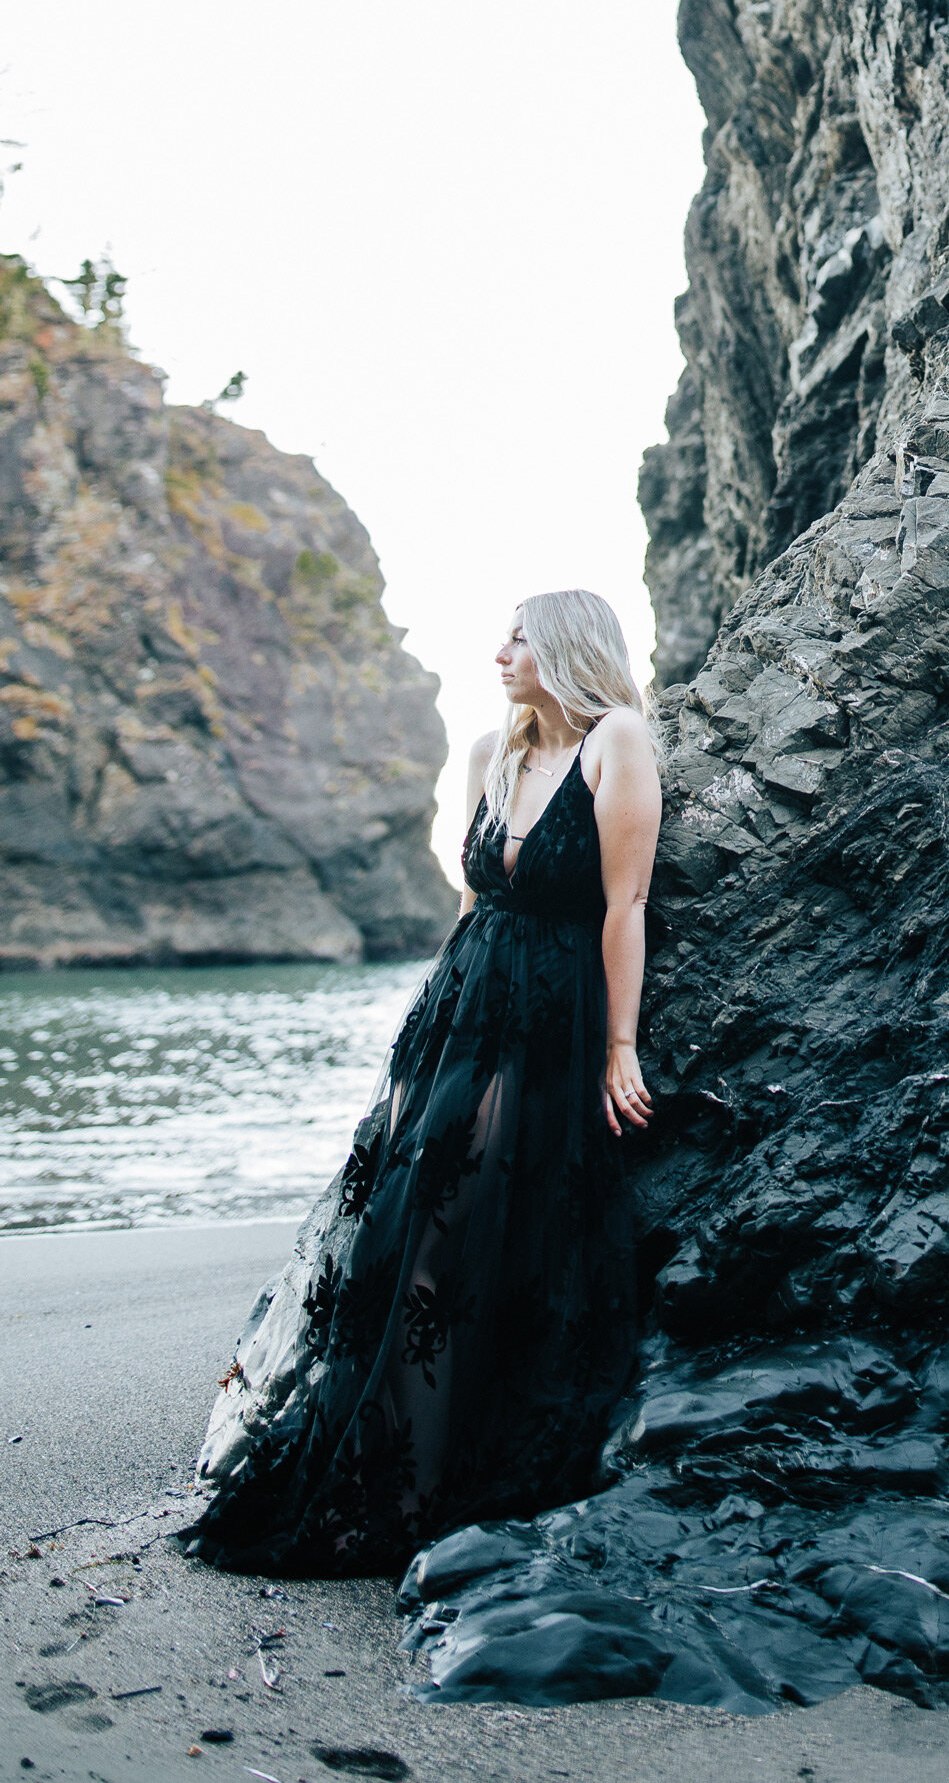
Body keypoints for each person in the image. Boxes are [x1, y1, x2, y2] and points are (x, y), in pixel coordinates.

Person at [183, 588, 663, 1574]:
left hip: (554, 1012)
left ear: (566, 648)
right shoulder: (493, 756)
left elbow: (626, 904)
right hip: (461, 1009)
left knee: (500, 1225)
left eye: (518, 638)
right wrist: (422, 1035)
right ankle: (391, 1459)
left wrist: (621, 1049)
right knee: (416, 1226)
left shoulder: (617, 739)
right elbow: (467, 901)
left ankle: (467, 1461)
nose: (499, 653)